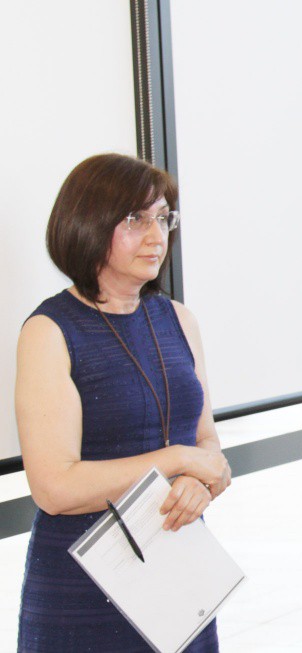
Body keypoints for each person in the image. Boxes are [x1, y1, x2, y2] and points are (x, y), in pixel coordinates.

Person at [15, 154, 232, 652]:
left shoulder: (178, 319)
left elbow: (205, 441)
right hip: (86, 589)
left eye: (163, 218)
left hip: (181, 571)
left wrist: (200, 479)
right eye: (136, 219)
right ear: (88, 223)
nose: (157, 236)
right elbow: (55, 488)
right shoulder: (49, 330)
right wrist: (177, 462)